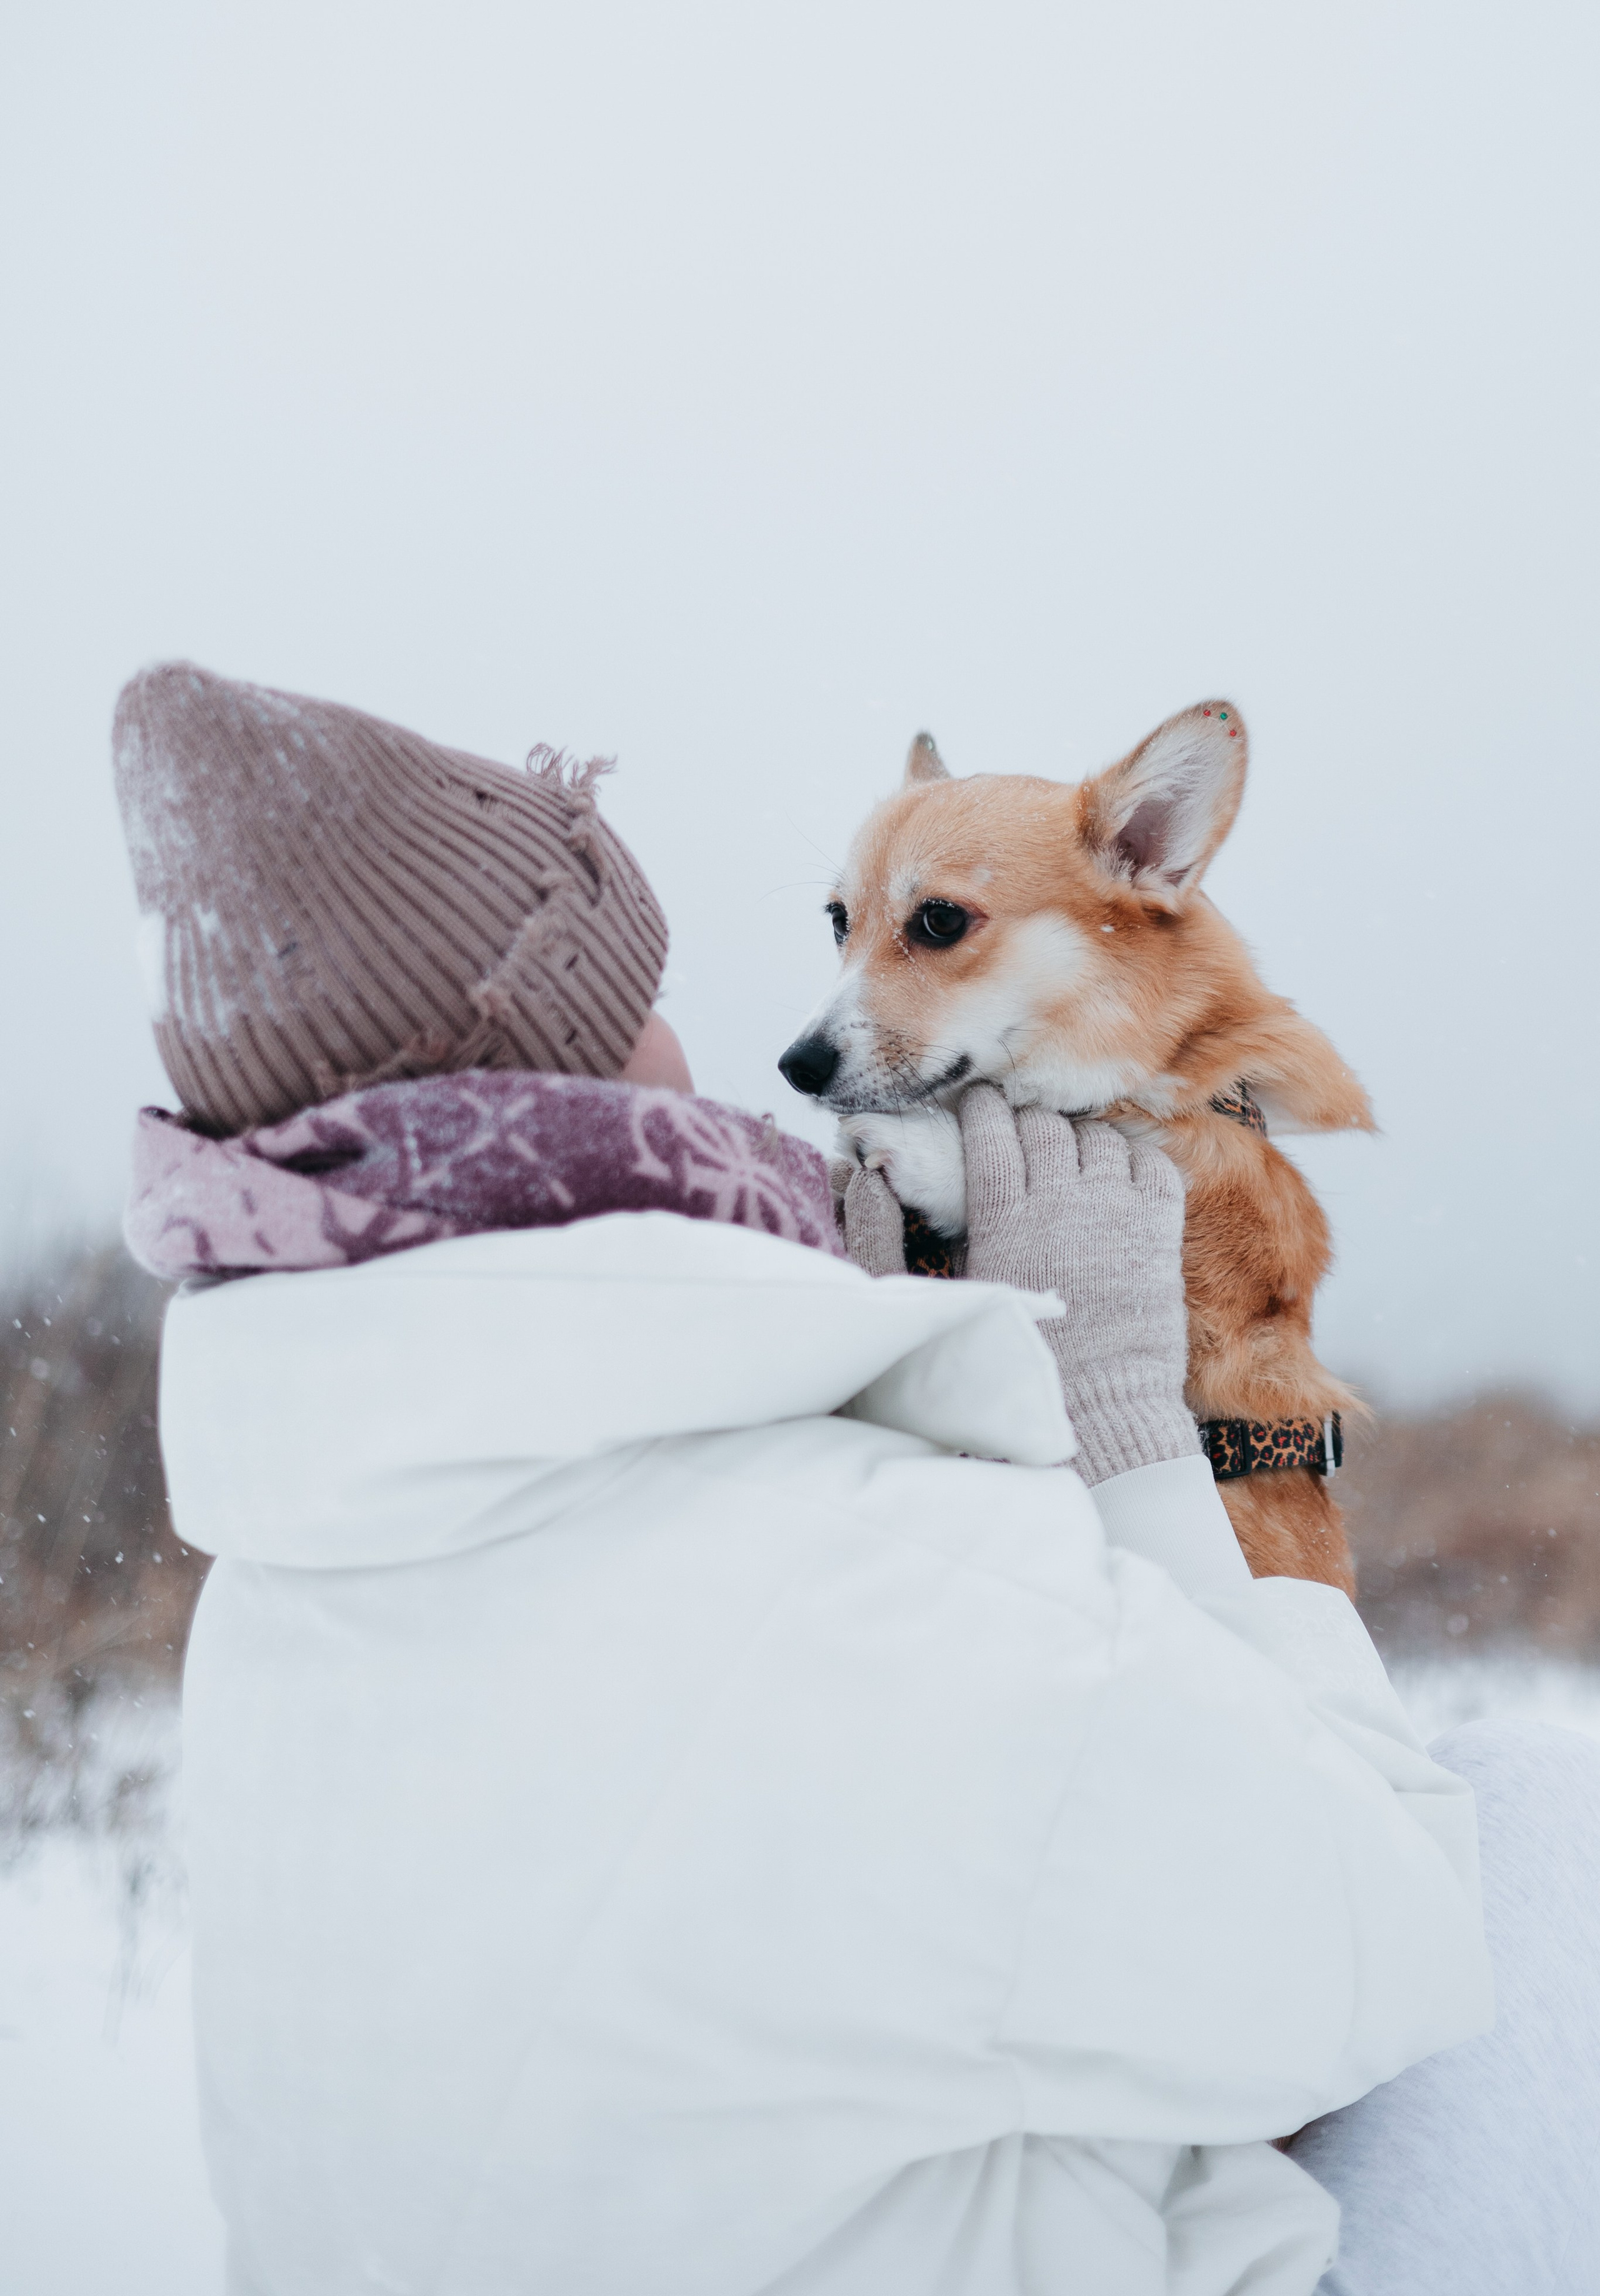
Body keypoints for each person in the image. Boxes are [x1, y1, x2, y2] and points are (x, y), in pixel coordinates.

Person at [111, 663, 1591, 2296]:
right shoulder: (858, 1573)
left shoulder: (272, 1581)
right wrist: (1113, 1431)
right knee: (1540, 1806)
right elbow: (1385, 1948)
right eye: (640, 982)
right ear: (584, 1051)